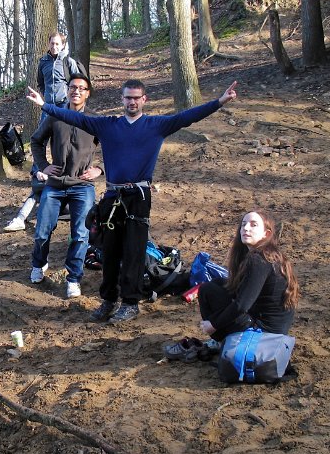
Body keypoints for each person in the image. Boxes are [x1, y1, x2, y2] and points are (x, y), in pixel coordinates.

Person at [26, 79, 238, 323]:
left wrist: (219, 102)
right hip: (112, 196)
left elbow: (188, 116)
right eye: (128, 97)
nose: (132, 102)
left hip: (138, 196)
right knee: (109, 251)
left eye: (136, 97)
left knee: (134, 251)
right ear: (122, 99)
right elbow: (74, 118)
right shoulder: (107, 125)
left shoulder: (156, 125)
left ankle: (130, 302)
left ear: (144, 99)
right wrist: (44, 105)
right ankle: (108, 300)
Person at [28, 73, 102, 298]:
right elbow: (36, 140)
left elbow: (113, 146)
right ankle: (38, 264)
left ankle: (73, 278)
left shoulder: (94, 120)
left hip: (82, 185)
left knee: (80, 234)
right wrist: (43, 165)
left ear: (87, 93)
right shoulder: (55, 115)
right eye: (72, 87)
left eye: (81, 88)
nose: (76, 91)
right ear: (67, 90)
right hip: (55, 183)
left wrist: (100, 170)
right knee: (42, 231)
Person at [198, 210, 299, 341]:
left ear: (266, 234)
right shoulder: (268, 254)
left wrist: (214, 324)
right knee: (217, 284)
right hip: (270, 326)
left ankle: (221, 339)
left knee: (207, 290)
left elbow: (242, 305)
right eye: (243, 224)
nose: (246, 228)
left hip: (264, 333)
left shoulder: (259, 259)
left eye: (253, 225)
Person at [37, 32, 81, 117]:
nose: (54, 47)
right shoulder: (43, 62)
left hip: (64, 105)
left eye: (57, 44)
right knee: (43, 130)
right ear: (48, 44)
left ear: (63, 45)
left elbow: (77, 82)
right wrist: (46, 95)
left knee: (63, 130)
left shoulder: (68, 61)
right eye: (52, 43)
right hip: (48, 106)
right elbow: (40, 82)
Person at [3, 163, 47, 232]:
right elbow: (35, 166)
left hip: (64, 201)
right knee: (37, 192)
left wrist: (51, 178)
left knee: (48, 190)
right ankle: (21, 219)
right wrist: (37, 172)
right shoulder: (40, 153)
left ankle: (42, 220)